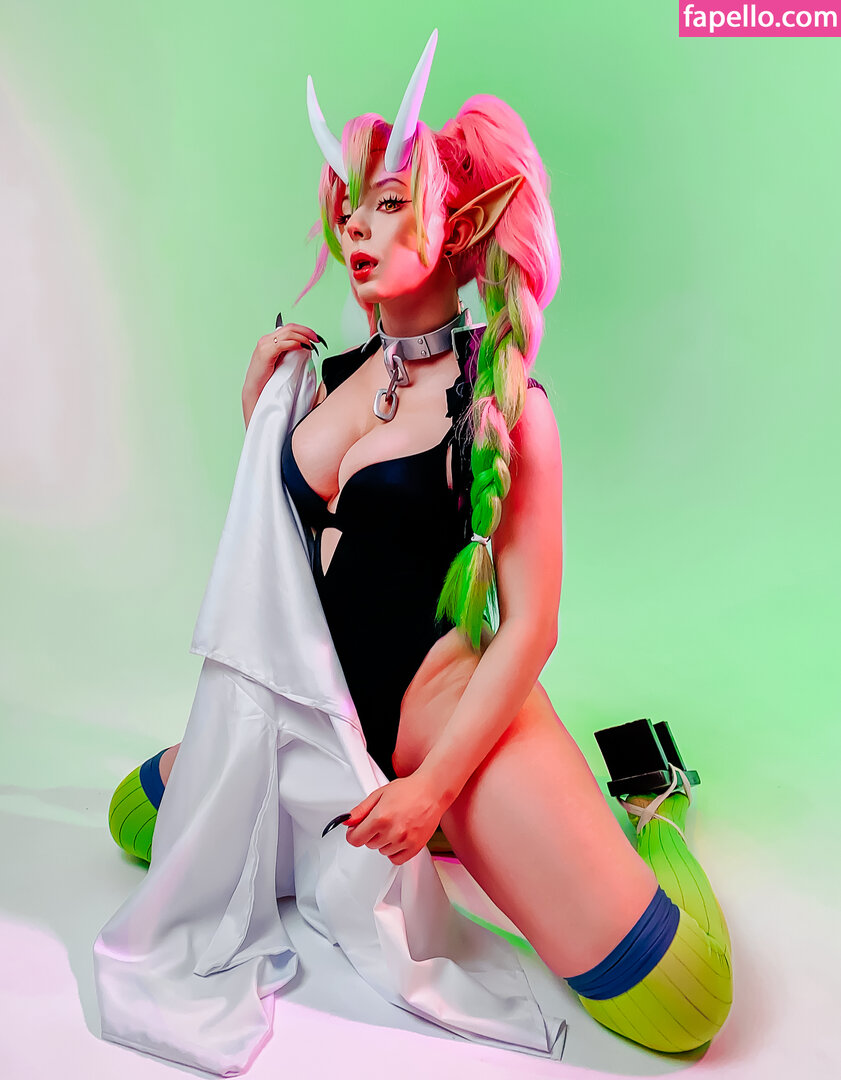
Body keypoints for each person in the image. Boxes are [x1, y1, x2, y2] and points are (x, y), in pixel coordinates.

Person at [105, 28, 732, 1059]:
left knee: (677, 1001)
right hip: (316, 718)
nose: (355, 223)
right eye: (350, 207)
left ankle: (650, 806)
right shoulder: (327, 377)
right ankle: (433, 825)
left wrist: (434, 785)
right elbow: (289, 549)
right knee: (138, 821)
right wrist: (257, 415)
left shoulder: (508, 402)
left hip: (444, 726)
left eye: (388, 201)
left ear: (462, 223)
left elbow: (530, 627)